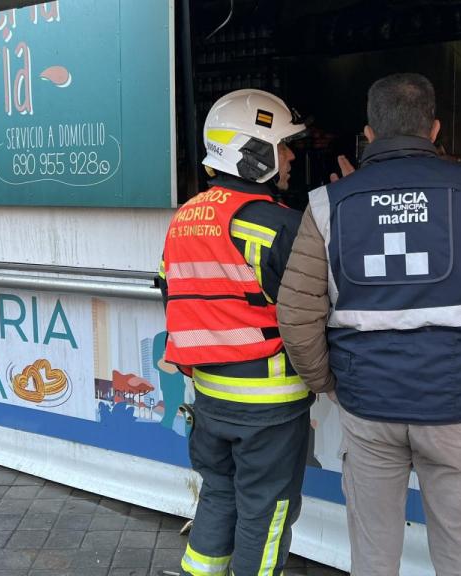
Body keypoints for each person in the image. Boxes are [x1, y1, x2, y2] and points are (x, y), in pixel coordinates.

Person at [277, 73, 461, 576]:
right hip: (460, 407)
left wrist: (329, 383)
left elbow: (296, 312)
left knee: (372, 559)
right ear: (434, 129)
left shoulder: (327, 204)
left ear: (368, 134)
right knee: (460, 559)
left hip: (370, 406)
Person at [157, 89, 314, 576]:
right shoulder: (280, 226)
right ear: (254, 152)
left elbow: (173, 298)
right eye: (283, 146)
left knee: (219, 497)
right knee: (266, 516)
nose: (289, 157)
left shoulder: (182, 220)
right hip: (269, 406)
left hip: (209, 399)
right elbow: (313, 314)